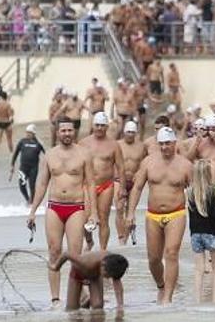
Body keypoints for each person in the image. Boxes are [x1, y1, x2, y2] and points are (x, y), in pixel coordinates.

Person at [26, 118, 99, 307]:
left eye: (69, 130)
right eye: (63, 130)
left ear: (74, 131)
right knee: (54, 252)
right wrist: (32, 210)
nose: (66, 133)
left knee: (75, 254)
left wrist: (94, 213)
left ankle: (78, 294)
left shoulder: (84, 154)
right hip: (54, 207)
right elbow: (41, 184)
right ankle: (55, 299)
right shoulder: (49, 155)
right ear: (57, 132)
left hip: (76, 207)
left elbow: (91, 184)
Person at [126, 126, 193, 305]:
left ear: (174, 143)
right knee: (154, 259)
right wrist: (130, 213)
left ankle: (168, 298)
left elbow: (195, 191)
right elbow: (138, 187)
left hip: (177, 212)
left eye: (168, 144)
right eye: (161, 144)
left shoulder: (185, 165)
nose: (164, 147)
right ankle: (161, 286)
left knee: (171, 253)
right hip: (153, 215)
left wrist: (203, 216)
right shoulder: (148, 162)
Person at [79, 112, 126, 250]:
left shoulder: (113, 145)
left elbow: (121, 168)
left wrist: (122, 188)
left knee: (103, 219)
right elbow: (76, 165)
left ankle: (103, 250)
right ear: (93, 125)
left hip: (106, 186)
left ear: (107, 127)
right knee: (85, 219)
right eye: (97, 125)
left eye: (102, 125)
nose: (99, 128)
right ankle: (89, 241)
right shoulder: (83, 143)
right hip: (87, 185)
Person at [187, 159, 215, 303]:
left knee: (199, 269)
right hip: (212, 233)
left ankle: (197, 300)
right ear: (208, 174)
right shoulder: (213, 192)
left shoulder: (190, 192)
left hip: (195, 235)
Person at [48, 251, 128, 311]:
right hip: (77, 274)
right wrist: (56, 267)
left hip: (94, 276)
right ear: (102, 264)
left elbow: (118, 288)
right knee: (72, 309)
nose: (107, 278)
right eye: (107, 275)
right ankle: (85, 303)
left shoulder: (115, 264)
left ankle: (89, 301)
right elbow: (66, 254)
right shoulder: (85, 261)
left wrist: (120, 306)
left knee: (98, 307)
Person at [114, 120, 145, 243]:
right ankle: (121, 236)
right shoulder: (117, 145)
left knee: (130, 211)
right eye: (128, 132)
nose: (130, 135)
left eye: (132, 132)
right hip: (118, 179)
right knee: (119, 208)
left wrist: (139, 175)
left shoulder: (141, 146)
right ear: (124, 132)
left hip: (133, 181)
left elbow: (143, 163)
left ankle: (125, 238)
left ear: (136, 133)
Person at [9, 124, 45, 203]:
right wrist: (12, 165)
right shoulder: (22, 141)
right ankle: (27, 199)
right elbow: (15, 154)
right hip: (23, 168)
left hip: (34, 168)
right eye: (27, 132)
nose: (27, 134)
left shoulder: (38, 143)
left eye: (29, 133)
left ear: (33, 133)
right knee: (21, 185)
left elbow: (47, 154)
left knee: (32, 186)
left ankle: (32, 202)